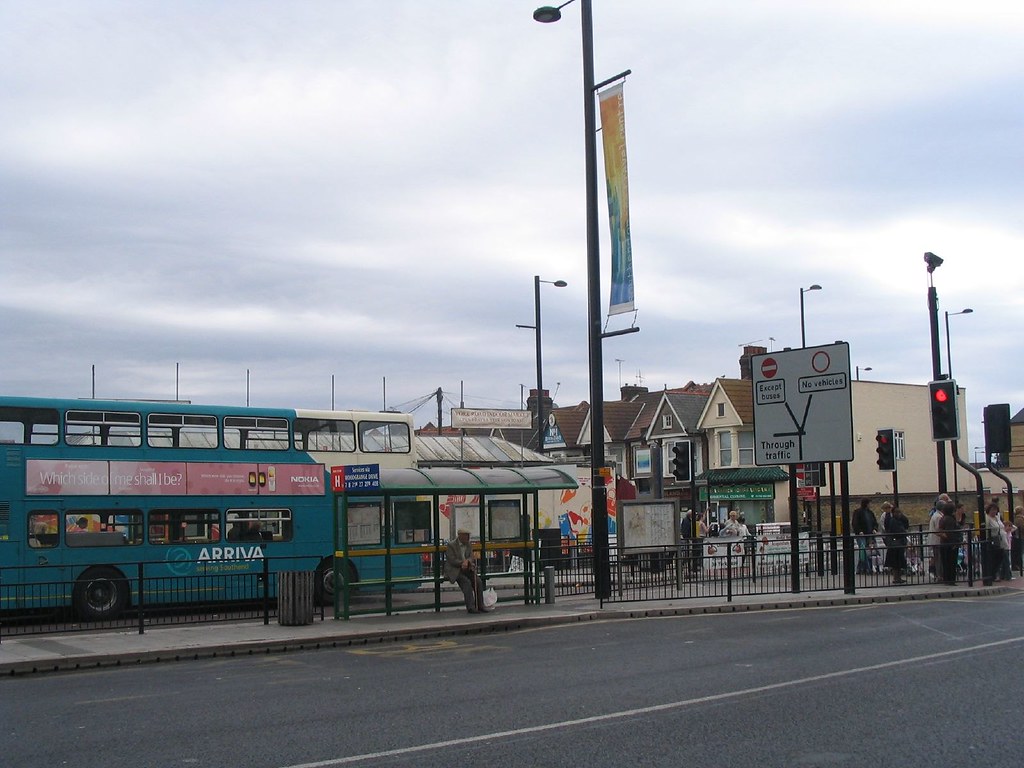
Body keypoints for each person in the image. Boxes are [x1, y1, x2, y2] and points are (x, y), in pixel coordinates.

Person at [444, 528, 481, 613]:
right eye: (466, 536)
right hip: (455, 570)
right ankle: (471, 607)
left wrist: (467, 561)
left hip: (467, 568)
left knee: (478, 582)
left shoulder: (469, 544)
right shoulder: (451, 545)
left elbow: (471, 557)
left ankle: (480, 605)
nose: (468, 538)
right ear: (460, 536)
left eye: (468, 536)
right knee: (466, 583)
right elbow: (452, 560)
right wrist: (462, 563)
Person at [882, 503, 909, 584]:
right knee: (896, 562)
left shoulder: (897, 520)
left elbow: (905, 522)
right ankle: (896, 578)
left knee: (898, 563)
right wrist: (904, 533)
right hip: (896, 543)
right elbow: (898, 531)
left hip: (898, 543)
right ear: (893, 513)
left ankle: (898, 577)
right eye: (897, 512)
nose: (899, 514)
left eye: (899, 512)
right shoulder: (893, 521)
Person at [928, 493, 951, 582]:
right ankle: (940, 576)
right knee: (939, 559)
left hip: (937, 541)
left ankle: (940, 575)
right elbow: (938, 529)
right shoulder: (938, 516)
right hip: (937, 541)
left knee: (939, 558)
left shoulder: (937, 515)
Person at [937, 501, 961, 585]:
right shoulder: (950, 520)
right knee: (951, 563)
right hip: (950, 545)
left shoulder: (942, 518)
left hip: (943, 544)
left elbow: (940, 531)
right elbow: (950, 533)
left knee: (945, 563)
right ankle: (951, 580)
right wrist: (954, 543)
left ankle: (946, 580)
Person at [852, 499, 878, 574]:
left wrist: (875, 529)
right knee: (863, 551)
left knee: (866, 552)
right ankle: (867, 568)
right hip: (862, 535)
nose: (870, 505)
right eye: (869, 503)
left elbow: (875, 522)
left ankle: (861, 568)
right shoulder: (858, 512)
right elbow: (855, 523)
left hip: (870, 534)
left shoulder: (870, 513)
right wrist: (859, 531)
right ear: (866, 504)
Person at [982, 503, 1004, 584]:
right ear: (988, 510)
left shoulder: (997, 517)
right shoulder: (987, 518)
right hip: (991, 539)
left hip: (999, 539)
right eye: (992, 510)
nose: (994, 511)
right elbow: (986, 530)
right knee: (993, 558)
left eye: (995, 510)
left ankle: (994, 574)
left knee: (1000, 556)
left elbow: (1002, 526)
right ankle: (991, 575)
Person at [1012, 506, 1024, 574]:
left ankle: (1019, 565)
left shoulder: (1018, 518)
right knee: (1020, 551)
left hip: (1019, 536)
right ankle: (1018, 565)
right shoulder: (1019, 518)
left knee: (1020, 551)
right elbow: (1021, 527)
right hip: (1020, 536)